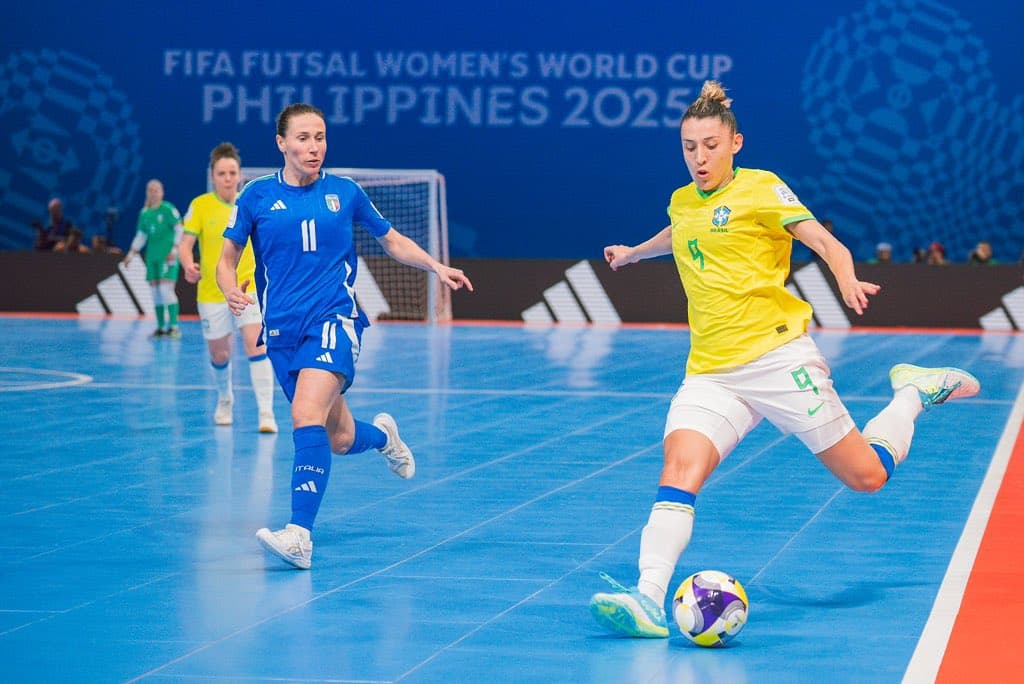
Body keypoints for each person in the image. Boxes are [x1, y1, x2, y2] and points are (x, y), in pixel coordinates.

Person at [588, 81, 980, 638]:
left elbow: (825, 242)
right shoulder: (682, 199)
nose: (699, 157)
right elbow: (680, 232)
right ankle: (648, 598)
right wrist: (633, 252)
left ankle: (913, 393)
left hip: (777, 358)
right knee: (679, 470)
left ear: (736, 143)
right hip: (711, 371)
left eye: (710, 145)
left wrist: (845, 280)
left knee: (867, 476)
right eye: (689, 147)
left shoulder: (763, 190)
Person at [217, 103, 474, 569]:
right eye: (302, 138)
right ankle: (384, 439)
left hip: (334, 319)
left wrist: (435, 266)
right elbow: (226, 258)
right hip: (281, 331)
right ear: (281, 144)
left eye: (320, 137)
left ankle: (299, 535)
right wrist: (230, 288)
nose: (313, 147)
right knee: (337, 437)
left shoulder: (346, 192)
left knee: (303, 413)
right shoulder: (255, 196)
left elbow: (391, 238)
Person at [179, 143, 278, 432]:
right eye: (221, 173)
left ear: (239, 175)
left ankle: (266, 413)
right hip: (212, 292)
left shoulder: (250, 202)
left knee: (255, 343)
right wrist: (188, 265)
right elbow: (186, 245)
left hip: (248, 289)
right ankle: (225, 398)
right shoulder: (200, 206)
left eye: (232, 172)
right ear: (213, 176)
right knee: (220, 355)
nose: (227, 177)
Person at [124, 180, 183, 338]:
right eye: (150, 190)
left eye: (156, 190)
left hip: (167, 257)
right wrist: (130, 255)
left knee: (166, 291)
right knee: (155, 293)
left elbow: (179, 228)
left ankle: (174, 326)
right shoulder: (144, 213)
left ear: (162, 192)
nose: (153, 192)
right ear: (147, 193)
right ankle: (161, 327)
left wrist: (175, 249)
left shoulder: (168, 209)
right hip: (152, 258)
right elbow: (141, 236)